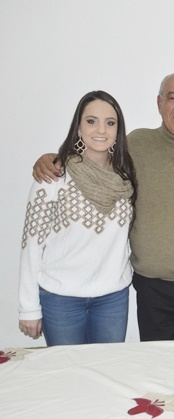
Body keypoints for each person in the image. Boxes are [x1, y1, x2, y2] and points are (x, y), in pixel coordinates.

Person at [32, 71, 174, 341]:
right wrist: (54, 158)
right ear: (159, 103)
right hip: (153, 289)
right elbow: (92, 161)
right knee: (159, 365)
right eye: (173, 98)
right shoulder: (133, 146)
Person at [19, 90, 137, 345]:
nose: (101, 130)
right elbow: (31, 244)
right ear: (79, 127)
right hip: (61, 299)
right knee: (66, 369)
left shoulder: (125, 177)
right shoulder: (53, 176)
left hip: (113, 299)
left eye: (110, 123)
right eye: (91, 121)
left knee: (106, 368)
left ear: (118, 130)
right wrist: (28, 307)